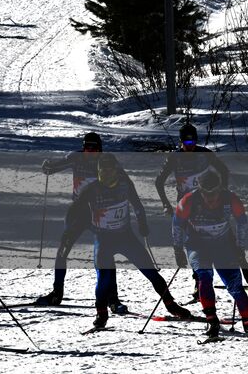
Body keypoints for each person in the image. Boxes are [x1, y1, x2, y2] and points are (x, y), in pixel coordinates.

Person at [58, 154, 193, 329]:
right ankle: (101, 314)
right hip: (104, 239)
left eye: (109, 170)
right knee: (103, 279)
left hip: (125, 237)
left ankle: (171, 304)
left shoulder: (124, 184)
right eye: (101, 171)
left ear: (116, 170)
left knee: (151, 272)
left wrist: (143, 224)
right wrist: (68, 232)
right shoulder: (92, 189)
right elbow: (74, 210)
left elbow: (137, 205)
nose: (105, 174)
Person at [35, 132, 125, 312]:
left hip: (100, 213)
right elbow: (54, 167)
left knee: (105, 256)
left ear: (100, 149)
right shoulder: (76, 157)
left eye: (94, 148)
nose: (89, 152)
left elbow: (123, 181)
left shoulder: (108, 161)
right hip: (78, 212)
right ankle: (56, 293)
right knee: (62, 251)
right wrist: (48, 167)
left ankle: (112, 299)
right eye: (86, 147)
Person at [155, 122, 232, 300]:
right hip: (187, 206)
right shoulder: (174, 158)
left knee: (224, 237)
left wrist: (224, 193)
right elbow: (159, 182)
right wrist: (166, 204)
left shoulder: (205, 153)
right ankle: (200, 284)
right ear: (180, 142)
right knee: (194, 243)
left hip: (209, 201)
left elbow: (224, 171)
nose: (190, 148)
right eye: (186, 144)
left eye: (193, 144)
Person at [171, 169, 248, 339]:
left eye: (215, 192)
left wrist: (240, 248)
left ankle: (247, 320)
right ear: (200, 190)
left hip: (223, 245)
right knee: (204, 276)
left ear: (220, 188)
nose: (211, 197)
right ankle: (212, 320)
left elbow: (242, 223)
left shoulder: (231, 198)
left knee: (235, 285)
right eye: (207, 193)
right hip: (198, 245)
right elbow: (177, 224)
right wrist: (177, 249)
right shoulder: (189, 200)